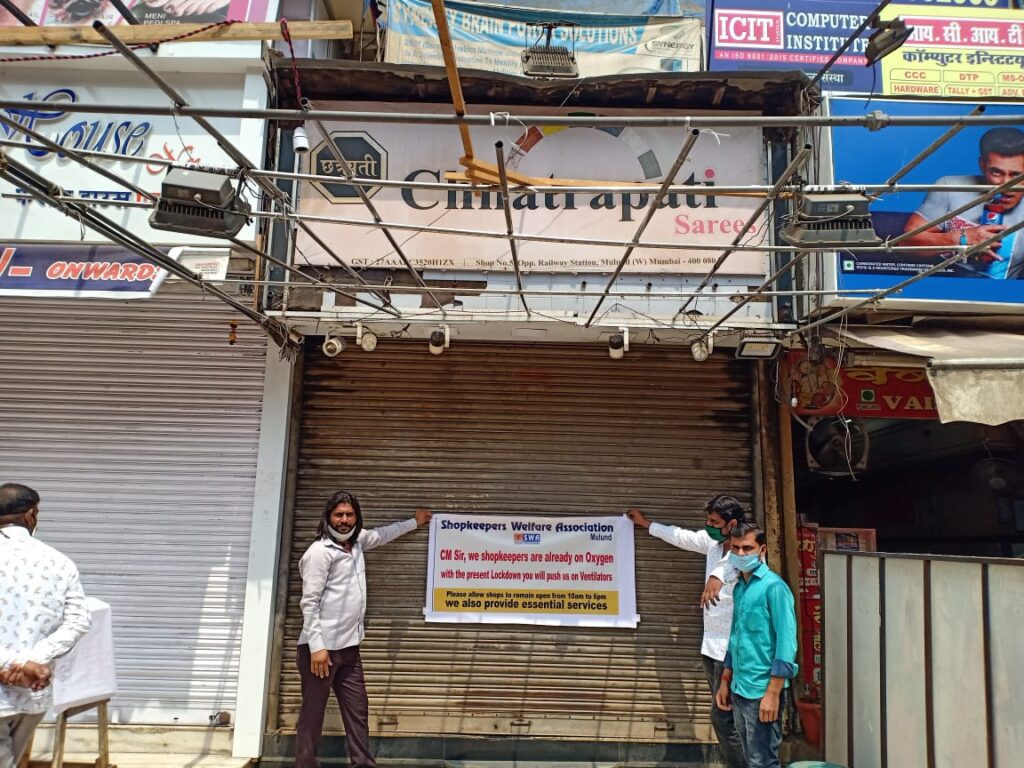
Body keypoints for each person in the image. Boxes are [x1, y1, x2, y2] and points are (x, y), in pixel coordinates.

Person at [295, 491, 431, 768]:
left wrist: (414, 522)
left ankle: (363, 764)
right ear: (328, 517)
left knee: (357, 712)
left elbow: (383, 534)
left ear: (356, 517)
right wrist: (317, 648)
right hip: (320, 652)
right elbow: (309, 603)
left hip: (349, 649)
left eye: (349, 514)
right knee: (312, 715)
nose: (344, 520)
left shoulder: (357, 542)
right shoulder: (319, 552)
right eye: (338, 515)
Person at [626, 496, 746, 768]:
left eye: (714, 521)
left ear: (732, 524)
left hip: (732, 649)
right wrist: (647, 524)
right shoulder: (714, 545)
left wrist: (717, 575)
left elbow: (739, 563)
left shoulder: (746, 550)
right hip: (711, 647)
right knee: (726, 714)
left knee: (725, 717)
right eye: (708, 520)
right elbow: (681, 536)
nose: (708, 525)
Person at [0, 483, 91, 768]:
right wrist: (33, 661)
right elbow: (78, 620)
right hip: (31, 695)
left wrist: (12, 664)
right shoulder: (60, 563)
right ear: (30, 515)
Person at [714, 522, 797, 768]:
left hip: (761, 691)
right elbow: (736, 636)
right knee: (749, 757)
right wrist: (725, 680)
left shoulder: (774, 588)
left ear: (762, 550)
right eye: (736, 548)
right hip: (739, 688)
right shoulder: (740, 587)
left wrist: (772, 694)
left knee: (762, 761)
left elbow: (786, 644)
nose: (740, 554)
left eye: (747, 548)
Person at [901, 126, 1024, 278]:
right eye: (996, 172)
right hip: (946, 284)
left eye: (1016, 175)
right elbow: (906, 243)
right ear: (982, 165)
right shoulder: (950, 187)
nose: (1006, 185)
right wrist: (961, 239)